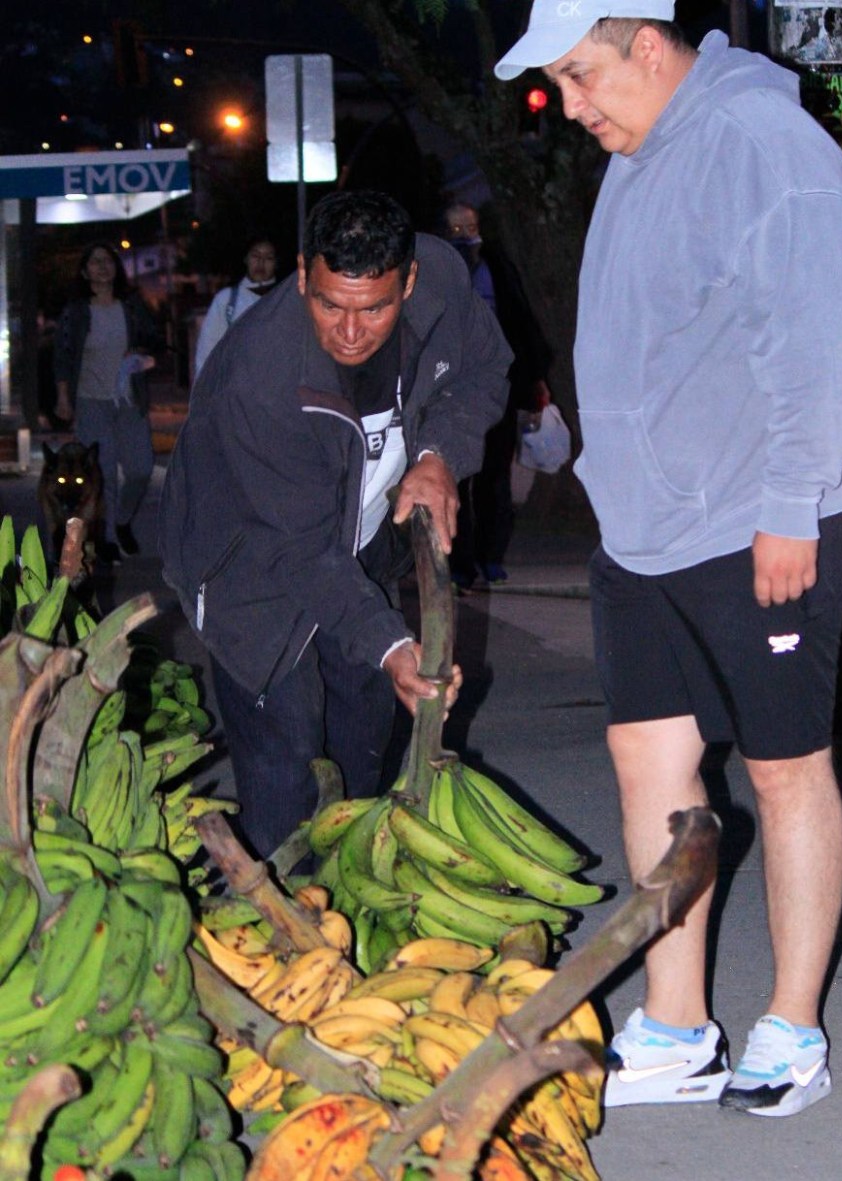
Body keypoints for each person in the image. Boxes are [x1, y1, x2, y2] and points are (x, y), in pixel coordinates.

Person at [496, 2, 842, 1118]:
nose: (571, 107)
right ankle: (675, 1023)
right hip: (650, 531)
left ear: (645, 48)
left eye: (580, 77)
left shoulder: (759, 141)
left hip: (760, 516)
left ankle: (792, 1026)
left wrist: (790, 506)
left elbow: (809, 334)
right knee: (647, 766)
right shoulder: (645, 144)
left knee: (783, 766)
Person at [159, 190, 512, 861]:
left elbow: (484, 372)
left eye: (374, 307)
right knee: (288, 777)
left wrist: (440, 455)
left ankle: (354, 912)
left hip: (362, 548)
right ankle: (285, 919)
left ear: (406, 281)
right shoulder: (258, 378)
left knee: (360, 757)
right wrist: (391, 644)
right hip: (251, 569)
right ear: (301, 276)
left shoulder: (440, 282)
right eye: (328, 303)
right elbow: (299, 550)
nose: (349, 331)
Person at [442, 201, 554, 589]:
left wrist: (535, 378)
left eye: (469, 227)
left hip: (499, 386)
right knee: (456, 480)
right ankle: (460, 563)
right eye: (456, 229)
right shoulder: (438, 270)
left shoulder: (497, 266)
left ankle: (490, 557)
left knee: (495, 478)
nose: (465, 235)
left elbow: (521, 320)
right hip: (451, 392)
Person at [53, 241, 161, 562]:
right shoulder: (76, 311)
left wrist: (141, 353)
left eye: (108, 261)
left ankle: (123, 520)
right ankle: (109, 538)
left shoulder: (131, 306)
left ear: (117, 268)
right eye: (95, 262)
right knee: (103, 474)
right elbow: (62, 355)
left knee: (141, 468)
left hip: (129, 400)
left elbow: (154, 341)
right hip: (91, 400)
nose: (102, 267)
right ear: (85, 272)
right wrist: (63, 398)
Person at [193, 236, 279, 379]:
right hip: (234, 392)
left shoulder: (286, 300)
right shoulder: (226, 300)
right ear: (246, 259)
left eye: (268, 258)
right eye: (255, 256)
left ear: (276, 263)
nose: (261, 263)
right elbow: (207, 350)